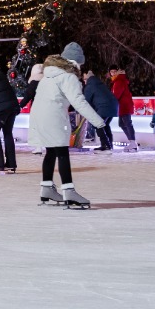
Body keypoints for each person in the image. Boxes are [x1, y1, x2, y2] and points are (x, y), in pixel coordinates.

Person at [29, 42, 106, 208]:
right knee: (62, 152)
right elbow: (78, 101)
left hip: (39, 116)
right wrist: (99, 122)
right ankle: (69, 191)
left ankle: (46, 188)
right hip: (54, 117)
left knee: (51, 151)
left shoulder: (48, 76)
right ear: (76, 62)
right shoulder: (68, 77)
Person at [83, 69, 118, 153]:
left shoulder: (90, 86)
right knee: (105, 125)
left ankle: (105, 145)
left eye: (85, 79)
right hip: (114, 106)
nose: (84, 81)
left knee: (97, 124)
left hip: (104, 107)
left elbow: (86, 101)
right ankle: (109, 144)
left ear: (88, 78)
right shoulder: (99, 84)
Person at [17, 63, 43, 154]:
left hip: (37, 107)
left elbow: (28, 95)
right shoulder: (47, 81)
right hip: (48, 107)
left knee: (36, 127)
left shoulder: (34, 82)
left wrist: (20, 105)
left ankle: (38, 147)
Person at [109, 65, 136, 148]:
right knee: (122, 124)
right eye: (111, 72)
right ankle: (132, 142)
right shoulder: (117, 80)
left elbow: (116, 95)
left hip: (124, 106)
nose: (113, 73)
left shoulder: (119, 81)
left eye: (114, 71)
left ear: (118, 72)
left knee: (127, 123)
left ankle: (133, 142)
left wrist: (110, 101)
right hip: (122, 106)